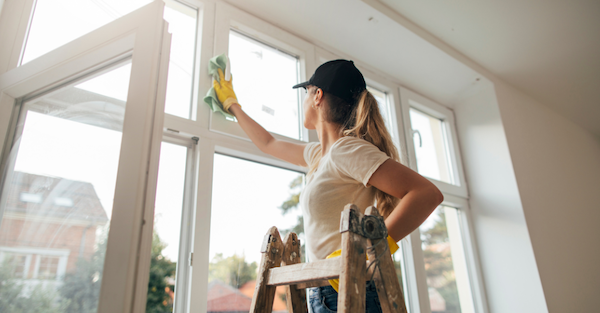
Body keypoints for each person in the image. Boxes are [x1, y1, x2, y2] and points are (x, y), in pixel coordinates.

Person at [213, 59, 443, 313]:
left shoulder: (346, 149)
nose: (302, 102)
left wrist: (370, 252)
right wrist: (231, 105)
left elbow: (426, 194)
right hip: (325, 290)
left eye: (305, 93)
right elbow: (268, 143)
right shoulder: (319, 156)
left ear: (317, 95)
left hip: (350, 288)